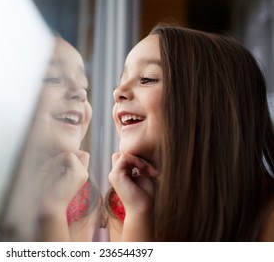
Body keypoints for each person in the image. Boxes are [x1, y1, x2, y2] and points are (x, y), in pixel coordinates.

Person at [105, 24, 274, 241]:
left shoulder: (267, 213)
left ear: (207, 104)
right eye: (121, 81)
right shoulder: (126, 203)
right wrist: (138, 214)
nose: (118, 92)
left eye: (147, 79)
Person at [0, 36, 99, 241]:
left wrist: (53, 210)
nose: (79, 93)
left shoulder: (80, 192)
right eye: (52, 78)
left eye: (84, 87)